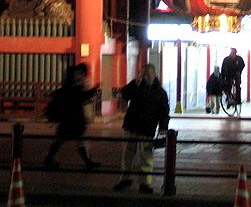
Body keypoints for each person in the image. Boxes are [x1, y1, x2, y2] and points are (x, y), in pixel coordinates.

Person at [113, 64, 170, 194]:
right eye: (143, 74)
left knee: (146, 156)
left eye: (147, 75)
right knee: (128, 153)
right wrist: (134, 85)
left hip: (147, 126)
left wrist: (163, 127)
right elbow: (123, 94)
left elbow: (164, 111)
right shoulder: (136, 86)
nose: (145, 77)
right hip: (132, 124)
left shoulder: (160, 93)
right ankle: (125, 179)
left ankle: (145, 183)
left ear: (154, 75)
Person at [44, 63, 100, 170]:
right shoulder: (73, 88)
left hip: (68, 119)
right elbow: (82, 97)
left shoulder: (69, 87)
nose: (78, 76)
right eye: (76, 74)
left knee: (64, 140)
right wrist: (93, 90)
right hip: (72, 119)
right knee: (72, 140)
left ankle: (49, 159)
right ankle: (87, 162)